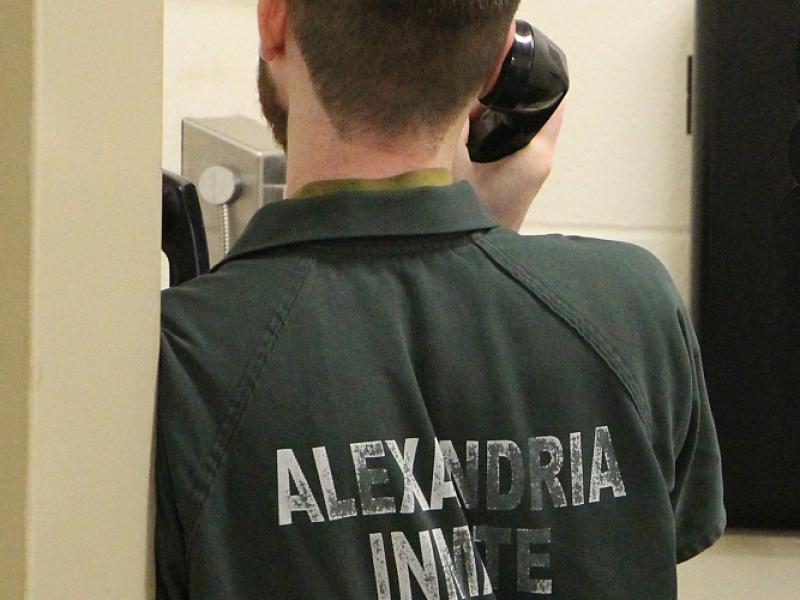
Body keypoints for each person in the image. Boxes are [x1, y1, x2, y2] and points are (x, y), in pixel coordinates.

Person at [156, 1, 726, 598]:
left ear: (274, 21)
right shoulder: (632, 307)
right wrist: (489, 237)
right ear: (502, 59)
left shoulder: (181, 356)